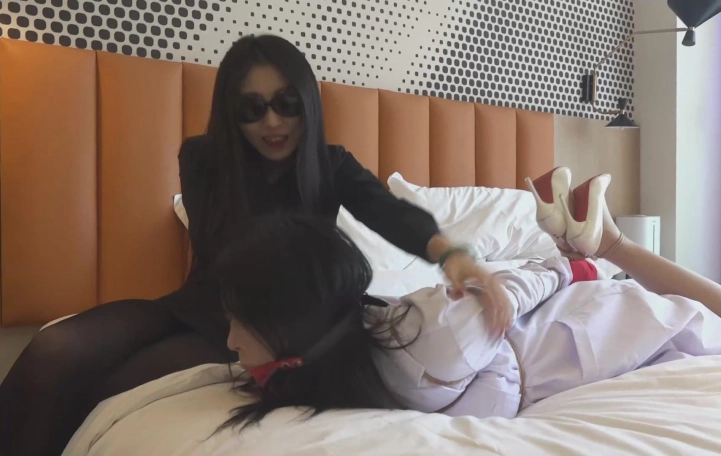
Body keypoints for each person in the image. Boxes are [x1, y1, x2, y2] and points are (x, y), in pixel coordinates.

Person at [0, 34, 509, 456]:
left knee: (112, 387)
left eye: (287, 104)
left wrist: (454, 256)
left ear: (307, 103)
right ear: (230, 112)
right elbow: (222, 250)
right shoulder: (204, 159)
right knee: (55, 349)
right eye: (252, 107)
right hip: (203, 303)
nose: (272, 122)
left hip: (272, 323)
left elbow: (390, 212)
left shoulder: (331, 164)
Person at [213, 167, 721, 429]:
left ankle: (609, 242)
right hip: (558, 336)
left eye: (240, 321)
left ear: (292, 316)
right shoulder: (347, 357)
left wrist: (572, 266)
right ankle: (598, 245)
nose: (230, 340)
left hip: (579, 329)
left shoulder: (425, 338)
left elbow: (502, 291)